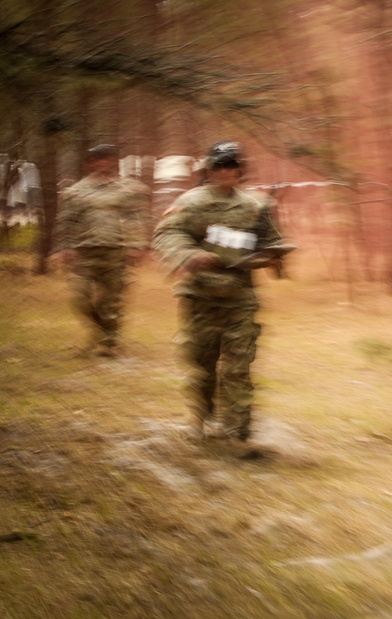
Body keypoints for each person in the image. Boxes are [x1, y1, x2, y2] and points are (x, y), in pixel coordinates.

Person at [152, 141, 288, 453]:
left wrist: (274, 255)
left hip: (240, 298)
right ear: (209, 169)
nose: (227, 171)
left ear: (241, 169)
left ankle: (237, 435)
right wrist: (189, 254)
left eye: (233, 165)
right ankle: (202, 419)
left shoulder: (256, 204)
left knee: (238, 368)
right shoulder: (191, 202)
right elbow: (167, 233)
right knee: (202, 365)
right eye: (221, 165)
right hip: (201, 298)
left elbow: (272, 240)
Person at [52, 144, 151, 357]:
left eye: (107, 159)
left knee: (111, 300)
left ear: (114, 162)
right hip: (84, 251)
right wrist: (64, 247)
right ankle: (104, 333)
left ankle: (109, 343)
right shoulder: (76, 191)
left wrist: (137, 244)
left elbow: (138, 218)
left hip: (116, 250)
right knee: (80, 297)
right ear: (90, 163)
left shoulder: (129, 189)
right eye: (98, 159)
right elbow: (66, 221)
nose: (103, 163)